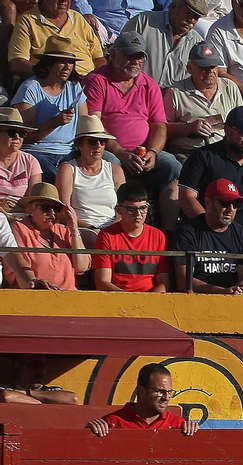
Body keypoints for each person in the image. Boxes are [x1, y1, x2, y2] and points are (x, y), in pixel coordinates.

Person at [85, 31, 184, 229]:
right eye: (129, 55)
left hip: (143, 151)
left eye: (139, 56)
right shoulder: (97, 80)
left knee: (172, 166)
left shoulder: (149, 84)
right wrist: (120, 152)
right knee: (110, 164)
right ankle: (119, 228)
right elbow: (93, 124)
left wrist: (153, 153)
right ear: (113, 55)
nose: (135, 61)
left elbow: (159, 126)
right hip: (108, 149)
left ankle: (169, 232)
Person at [177, 105, 243, 227]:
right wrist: (211, 230)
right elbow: (187, 198)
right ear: (227, 130)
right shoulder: (203, 157)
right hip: (219, 233)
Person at [13, 37, 87, 177]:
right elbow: (23, 136)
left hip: (69, 152)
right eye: (61, 62)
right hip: (37, 151)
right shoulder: (30, 88)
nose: (67, 67)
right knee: (52, 175)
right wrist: (54, 122)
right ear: (48, 63)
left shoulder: (75, 88)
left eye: (70, 62)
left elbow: (84, 125)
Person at [163, 43, 243, 163]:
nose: (210, 71)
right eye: (203, 67)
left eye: (213, 66)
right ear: (190, 68)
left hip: (225, 152)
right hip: (189, 153)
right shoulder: (176, 91)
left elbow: (242, 122)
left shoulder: (230, 87)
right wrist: (189, 127)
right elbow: (162, 128)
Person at [172, 176, 243, 291]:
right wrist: (222, 292)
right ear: (208, 202)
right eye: (224, 203)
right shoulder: (187, 232)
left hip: (233, 302)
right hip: (197, 301)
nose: (231, 209)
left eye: (235, 204)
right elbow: (184, 281)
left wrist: (240, 291)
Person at [6, 182, 88, 289]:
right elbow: (20, 268)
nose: (52, 212)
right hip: (35, 295)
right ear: (30, 209)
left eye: (57, 208)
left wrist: (74, 228)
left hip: (68, 297)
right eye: (46, 207)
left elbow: (81, 267)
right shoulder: (20, 228)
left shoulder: (64, 231)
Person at [55, 115, 123, 245]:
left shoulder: (115, 170)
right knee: (96, 240)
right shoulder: (68, 169)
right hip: (82, 229)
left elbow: (123, 207)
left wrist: (112, 228)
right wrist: (91, 228)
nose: (98, 146)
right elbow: (64, 212)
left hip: (113, 228)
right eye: (92, 141)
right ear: (80, 144)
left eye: (102, 142)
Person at [92, 181, 171, 291]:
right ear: (119, 210)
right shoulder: (107, 236)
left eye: (143, 208)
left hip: (150, 300)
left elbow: (164, 282)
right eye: (131, 209)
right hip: (118, 300)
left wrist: (148, 302)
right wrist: (130, 301)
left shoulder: (158, 236)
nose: (138, 214)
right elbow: (102, 282)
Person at [86, 363, 201, 435]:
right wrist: (89, 431)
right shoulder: (112, 423)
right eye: (160, 392)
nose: (166, 398)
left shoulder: (178, 425)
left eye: (169, 392)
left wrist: (195, 432)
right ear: (141, 391)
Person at [7, 0, 104, 83]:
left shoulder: (78, 18)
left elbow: (99, 58)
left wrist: (96, 80)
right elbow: (17, 63)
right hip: (45, 85)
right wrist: (52, 77)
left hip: (86, 84)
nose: (64, 1)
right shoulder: (27, 20)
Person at [124, 0, 207, 91]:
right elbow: (119, 59)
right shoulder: (143, 22)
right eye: (188, 14)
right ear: (173, 7)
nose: (191, 20)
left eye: (196, 17)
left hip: (173, 101)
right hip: (136, 93)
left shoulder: (197, 44)